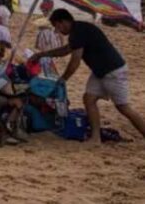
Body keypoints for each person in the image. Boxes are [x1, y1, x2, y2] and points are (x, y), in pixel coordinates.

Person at [32, 9, 145, 144]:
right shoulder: (78, 30)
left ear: (63, 22)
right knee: (89, 99)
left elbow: (75, 61)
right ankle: (95, 137)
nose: (57, 31)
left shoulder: (78, 32)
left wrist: (63, 79)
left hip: (113, 71)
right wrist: (41, 55)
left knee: (123, 107)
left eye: (57, 27)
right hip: (100, 72)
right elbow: (66, 50)